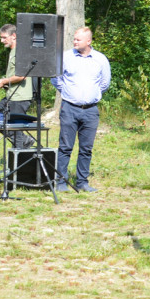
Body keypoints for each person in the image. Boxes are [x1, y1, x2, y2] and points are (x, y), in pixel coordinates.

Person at [51, 27, 111, 193]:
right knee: (65, 147)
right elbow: (55, 78)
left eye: (78, 39)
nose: (75, 41)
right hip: (69, 108)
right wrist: (67, 92)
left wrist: (92, 95)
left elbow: (105, 83)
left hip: (90, 111)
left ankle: (82, 182)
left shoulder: (100, 59)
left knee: (86, 149)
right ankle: (61, 182)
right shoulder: (66, 57)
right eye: (74, 38)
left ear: (88, 41)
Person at [0, 24, 35, 149]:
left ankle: (19, 154)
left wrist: (4, 81)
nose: (2, 40)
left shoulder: (19, 52)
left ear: (14, 36)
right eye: (1, 37)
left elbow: (22, 76)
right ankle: (25, 141)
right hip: (11, 95)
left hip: (20, 97)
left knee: (16, 129)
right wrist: (6, 83)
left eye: (4, 37)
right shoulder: (13, 51)